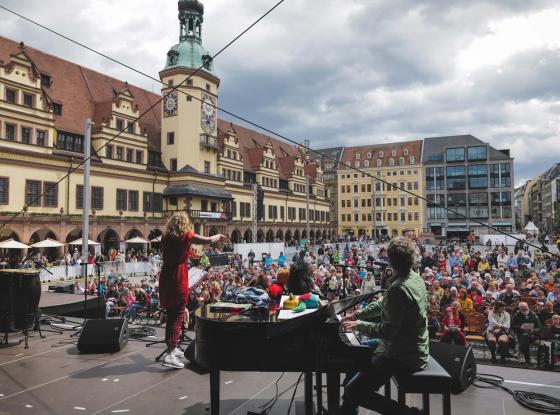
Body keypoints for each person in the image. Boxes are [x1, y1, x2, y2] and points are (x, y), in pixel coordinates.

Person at [340, 237, 427, 415]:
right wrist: (357, 314)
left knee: (354, 391)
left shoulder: (398, 288)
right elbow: (383, 305)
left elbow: (388, 332)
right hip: (412, 345)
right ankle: (346, 411)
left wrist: (358, 324)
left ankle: (407, 413)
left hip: (402, 354)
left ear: (390, 260)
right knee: (357, 352)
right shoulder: (414, 278)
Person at [159, 212, 228, 369]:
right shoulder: (186, 235)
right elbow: (208, 240)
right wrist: (218, 235)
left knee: (171, 313)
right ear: (184, 223)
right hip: (178, 276)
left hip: (166, 275)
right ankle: (170, 354)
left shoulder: (165, 237)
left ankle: (173, 347)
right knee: (177, 315)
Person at [511, 302, 542, 366]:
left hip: (532, 335)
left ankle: (522, 354)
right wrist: (520, 327)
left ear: (528, 307)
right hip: (521, 334)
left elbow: (539, 327)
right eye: (523, 309)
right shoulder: (517, 314)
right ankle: (527, 361)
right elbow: (512, 326)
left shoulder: (533, 314)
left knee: (525, 339)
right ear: (520, 308)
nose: (525, 310)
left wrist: (533, 330)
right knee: (525, 340)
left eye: (526, 308)